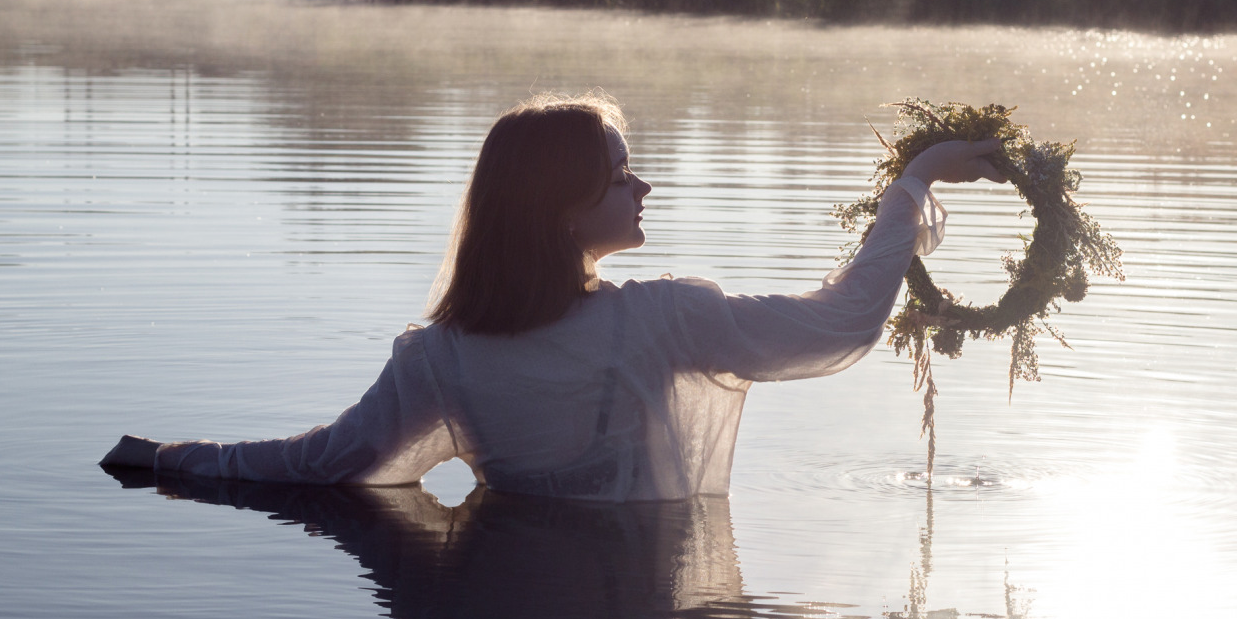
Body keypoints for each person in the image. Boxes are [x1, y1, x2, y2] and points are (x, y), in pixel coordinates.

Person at [100, 93, 1004, 500]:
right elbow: (842, 324)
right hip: (645, 594)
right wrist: (915, 179)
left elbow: (319, 463)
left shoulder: (439, 355)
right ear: (564, 212)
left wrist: (171, 458)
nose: (641, 186)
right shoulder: (664, 319)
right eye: (619, 175)